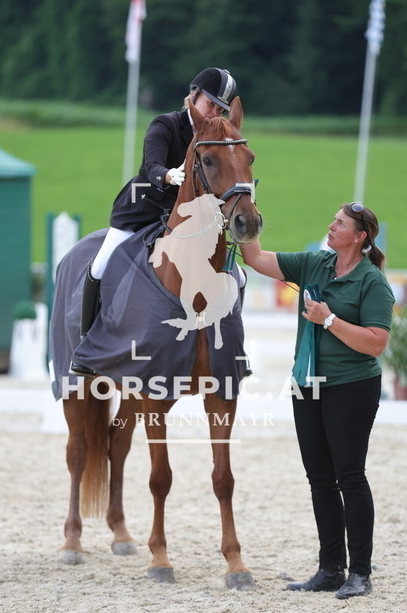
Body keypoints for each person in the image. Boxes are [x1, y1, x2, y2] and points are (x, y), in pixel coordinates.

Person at [241, 202, 395, 599]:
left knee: (350, 476)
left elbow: (376, 343)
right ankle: (330, 569)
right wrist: (245, 214)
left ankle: (359, 573)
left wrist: (329, 320)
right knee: (320, 479)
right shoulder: (315, 263)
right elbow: (255, 258)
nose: (331, 226)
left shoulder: (372, 282)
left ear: (359, 237)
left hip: (352, 386)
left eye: (340, 223)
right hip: (306, 383)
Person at [70, 67, 238, 376]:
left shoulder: (217, 137)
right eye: (211, 104)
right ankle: (87, 345)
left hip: (187, 220)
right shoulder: (166, 124)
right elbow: (151, 166)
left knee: (235, 274)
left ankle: (229, 348)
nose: (215, 112)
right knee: (100, 267)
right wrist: (169, 175)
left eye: (221, 109)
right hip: (141, 212)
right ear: (194, 95)